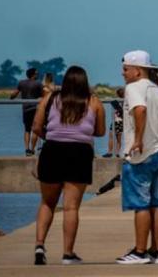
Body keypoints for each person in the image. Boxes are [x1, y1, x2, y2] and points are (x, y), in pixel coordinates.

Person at [31, 65, 106, 265]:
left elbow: (36, 127)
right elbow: (100, 132)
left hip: (52, 151)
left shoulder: (50, 99)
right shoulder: (95, 102)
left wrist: (54, 136)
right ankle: (67, 253)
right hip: (79, 154)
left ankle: (39, 245)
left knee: (47, 202)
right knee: (71, 208)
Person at [116, 50, 158, 265]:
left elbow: (140, 110)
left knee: (141, 204)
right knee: (155, 204)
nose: (123, 73)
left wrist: (137, 140)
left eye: (126, 69)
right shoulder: (157, 90)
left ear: (137, 71)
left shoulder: (133, 88)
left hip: (141, 154)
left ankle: (139, 252)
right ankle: (156, 250)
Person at [11, 68, 43, 156]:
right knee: (35, 129)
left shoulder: (21, 83)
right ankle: (32, 149)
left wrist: (11, 96)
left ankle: (27, 149)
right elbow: (44, 95)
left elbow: (13, 95)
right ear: (33, 74)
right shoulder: (38, 83)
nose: (38, 75)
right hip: (35, 109)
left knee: (27, 129)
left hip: (25, 109)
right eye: (36, 73)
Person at [104, 88, 125, 158]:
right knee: (118, 139)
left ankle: (110, 152)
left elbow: (110, 100)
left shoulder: (116, 102)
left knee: (111, 136)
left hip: (116, 121)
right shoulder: (124, 102)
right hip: (120, 121)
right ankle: (117, 153)